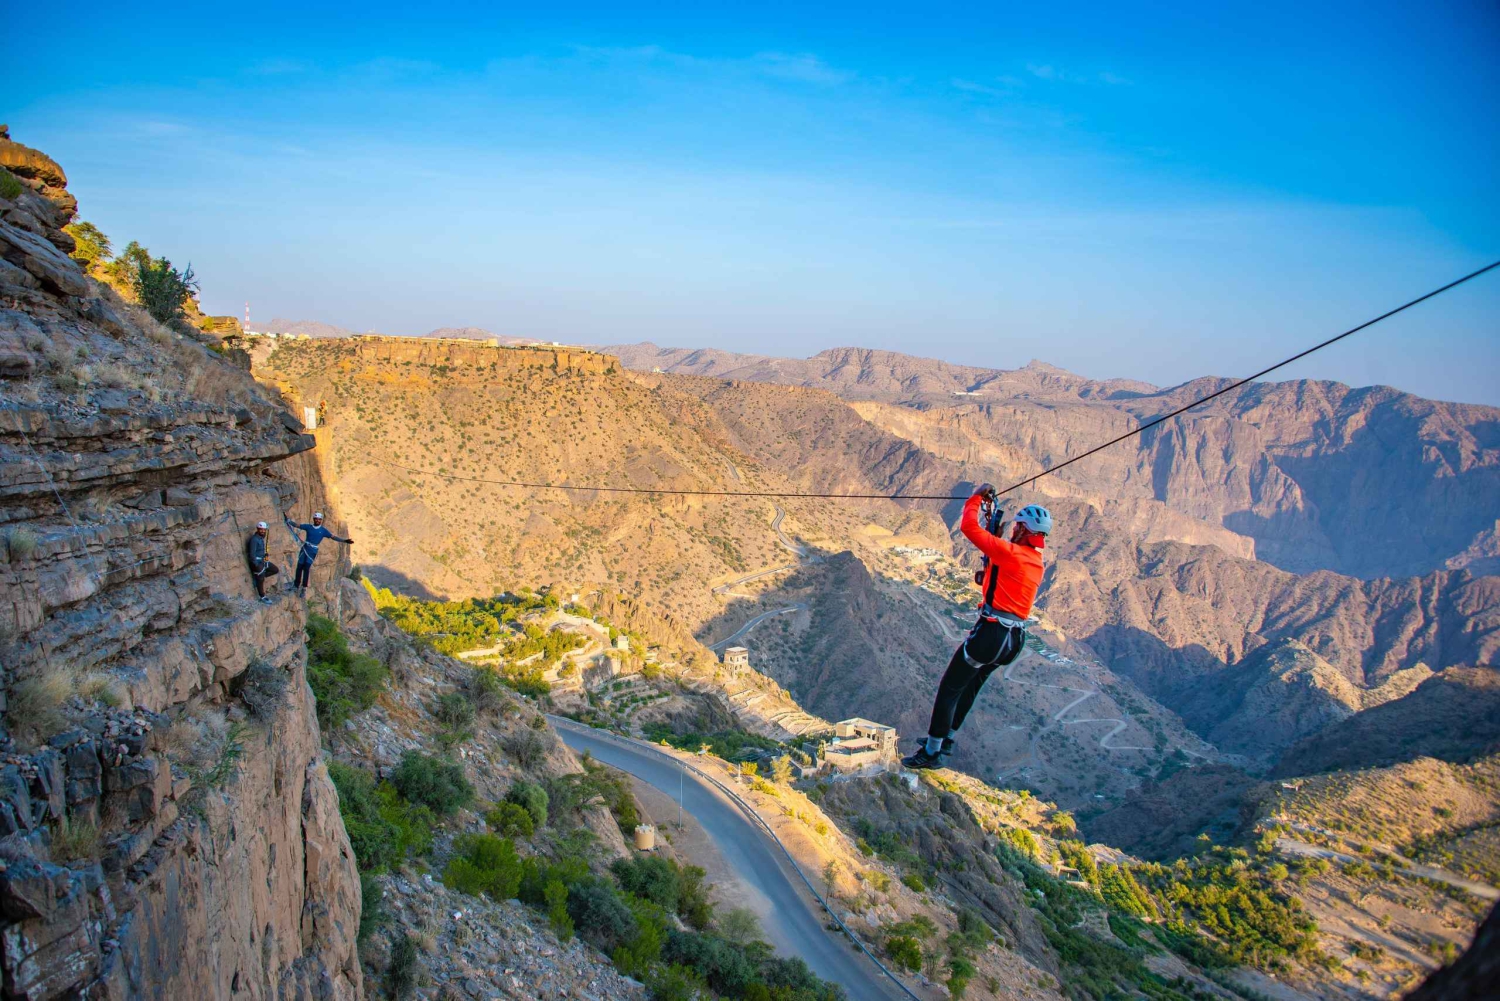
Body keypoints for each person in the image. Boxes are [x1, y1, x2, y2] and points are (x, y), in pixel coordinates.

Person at [902, 485, 1052, 770]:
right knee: (970, 688)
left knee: (950, 688)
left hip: (991, 634)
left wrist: (975, 499)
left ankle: (931, 752)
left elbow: (969, 528)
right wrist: (988, 576)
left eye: (1017, 526)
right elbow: (1005, 585)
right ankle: (945, 739)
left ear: (1023, 530)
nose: (1013, 530)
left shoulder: (1011, 553)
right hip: (1013, 639)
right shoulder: (1035, 561)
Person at [284, 511, 353, 595]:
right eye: (316, 519)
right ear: (314, 519)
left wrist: (344, 541)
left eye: (319, 519)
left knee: (306, 568)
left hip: (312, 551)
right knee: (299, 567)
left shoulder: (323, 531)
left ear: (321, 520)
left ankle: (304, 588)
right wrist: (288, 521)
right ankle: (296, 585)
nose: (317, 521)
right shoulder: (308, 527)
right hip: (305, 548)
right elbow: (297, 525)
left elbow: (333, 537)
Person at [245, 521, 279, 602]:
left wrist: (265, 555)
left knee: (275, 570)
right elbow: (252, 554)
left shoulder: (261, 538)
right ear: (258, 529)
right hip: (256, 562)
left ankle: (259, 577)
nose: (263, 531)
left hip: (262, 560)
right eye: (261, 530)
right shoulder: (254, 539)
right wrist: (257, 565)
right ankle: (262, 596)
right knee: (261, 578)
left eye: (264, 530)